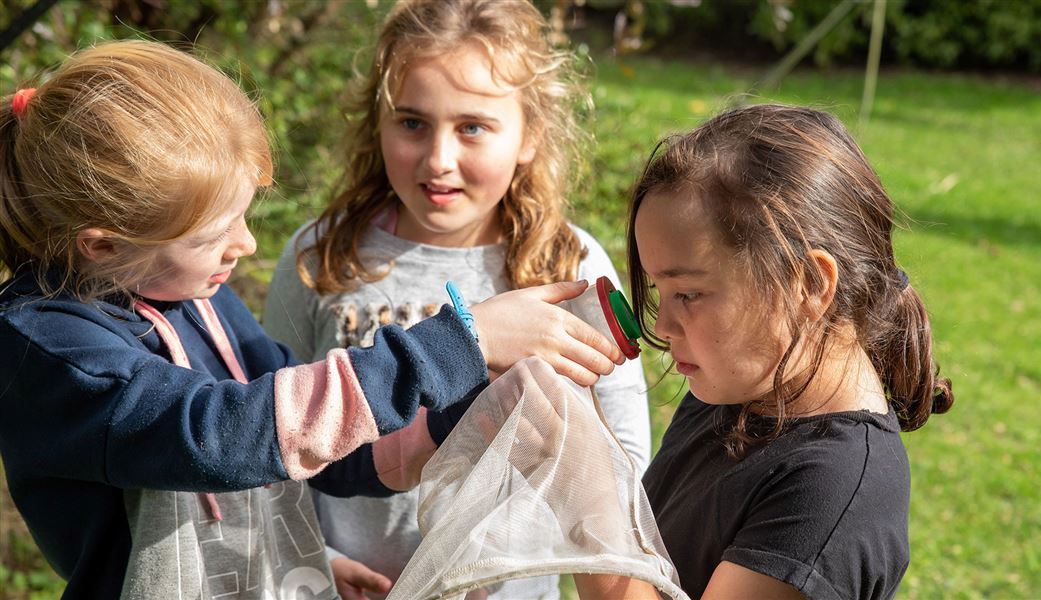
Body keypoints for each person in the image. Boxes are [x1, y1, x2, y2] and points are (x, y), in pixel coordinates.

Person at [0, 40, 625, 600]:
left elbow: (317, 430)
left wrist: (466, 418)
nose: (244, 245)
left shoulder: (189, 292)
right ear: (103, 244)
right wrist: (459, 343)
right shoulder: (53, 352)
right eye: (215, 234)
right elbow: (218, 436)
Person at [261, 1, 651, 598]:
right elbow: (273, 435)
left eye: (472, 127)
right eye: (412, 123)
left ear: (530, 135)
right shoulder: (321, 256)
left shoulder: (573, 269)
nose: (439, 159)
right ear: (379, 123)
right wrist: (322, 558)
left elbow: (623, 463)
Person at [574, 104, 956, 600]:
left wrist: (582, 473)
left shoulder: (834, 493)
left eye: (687, 294)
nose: (663, 327)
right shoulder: (742, 387)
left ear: (810, 284)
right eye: (659, 294)